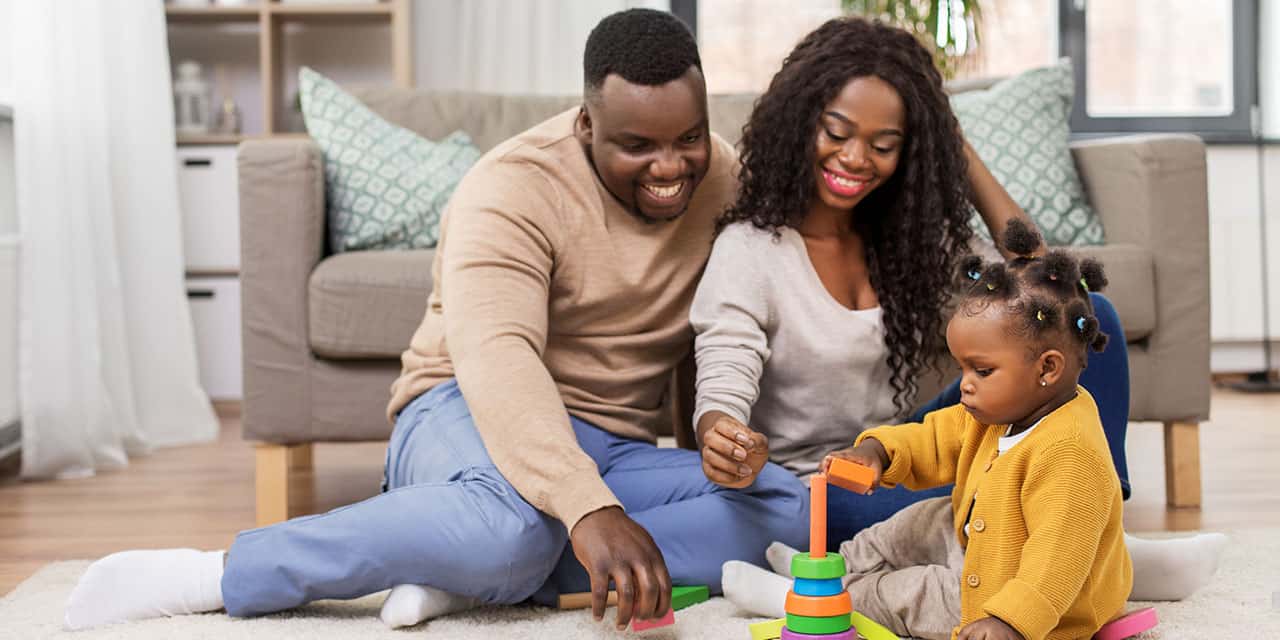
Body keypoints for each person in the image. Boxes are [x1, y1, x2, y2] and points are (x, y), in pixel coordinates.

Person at [62, 9, 808, 632]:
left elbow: (719, 322)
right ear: (586, 125)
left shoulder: (722, 175)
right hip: (465, 411)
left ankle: (462, 567)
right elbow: (499, 362)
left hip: (613, 442)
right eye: (637, 145)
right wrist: (587, 510)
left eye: (687, 138)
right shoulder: (511, 187)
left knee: (783, 506)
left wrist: (711, 432)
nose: (671, 166)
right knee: (510, 526)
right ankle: (225, 572)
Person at [693, 16, 1225, 633]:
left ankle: (1086, 527)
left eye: (885, 144)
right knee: (913, 507)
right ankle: (1086, 559)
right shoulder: (751, 249)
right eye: (836, 132)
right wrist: (720, 431)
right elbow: (723, 378)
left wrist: (952, 144)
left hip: (903, 442)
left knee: (1087, 319)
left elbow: (1042, 295)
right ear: (799, 123)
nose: (855, 158)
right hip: (832, 481)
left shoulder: (909, 237)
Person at [736, 220, 1134, 640]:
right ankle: (829, 564)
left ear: (1048, 368)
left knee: (908, 593)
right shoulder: (998, 411)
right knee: (911, 523)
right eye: (962, 368)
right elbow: (930, 437)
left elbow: (1057, 562)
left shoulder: (1070, 454)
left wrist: (1009, 622)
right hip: (975, 532)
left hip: (997, 593)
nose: (964, 383)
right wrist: (878, 452)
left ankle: (822, 596)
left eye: (981, 370)